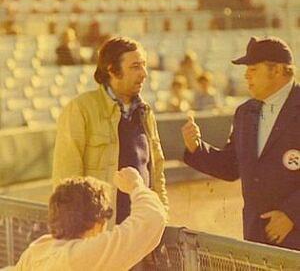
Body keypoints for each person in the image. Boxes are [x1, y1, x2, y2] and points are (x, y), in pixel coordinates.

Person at [181, 36, 300, 250]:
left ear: (278, 70)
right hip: (256, 237)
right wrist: (196, 148)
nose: (246, 75)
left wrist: (292, 214)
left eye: (253, 69)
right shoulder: (245, 113)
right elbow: (232, 166)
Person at [53, 36, 168, 227]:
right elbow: (66, 183)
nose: (144, 73)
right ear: (112, 70)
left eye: (144, 65)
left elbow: (157, 175)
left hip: (143, 233)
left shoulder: (146, 112)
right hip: (103, 236)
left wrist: (161, 218)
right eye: (135, 66)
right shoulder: (80, 109)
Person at [14, 167, 167, 270]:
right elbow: (153, 219)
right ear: (97, 223)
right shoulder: (83, 255)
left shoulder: (37, 251)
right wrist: (136, 186)